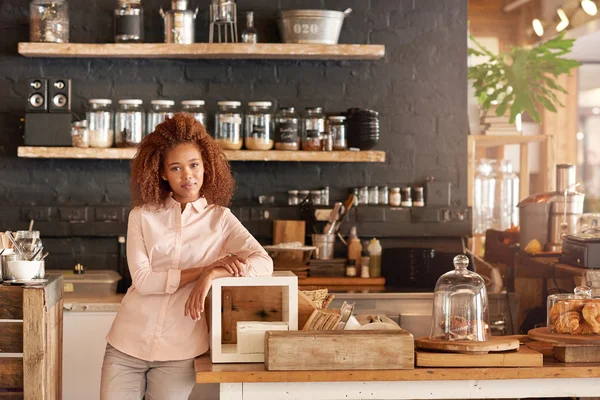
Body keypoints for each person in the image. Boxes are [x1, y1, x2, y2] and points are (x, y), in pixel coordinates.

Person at [100, 112, 273, 400]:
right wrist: (204, 268)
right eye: (176, 168)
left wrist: (214, 274)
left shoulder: (220, 219)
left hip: (180, 352)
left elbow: (263, 263)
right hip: (126, 344)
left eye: (194, 165)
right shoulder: (142, 216)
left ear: (206, 167)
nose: (187, 175)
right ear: (162, 173)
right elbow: (143, 281)